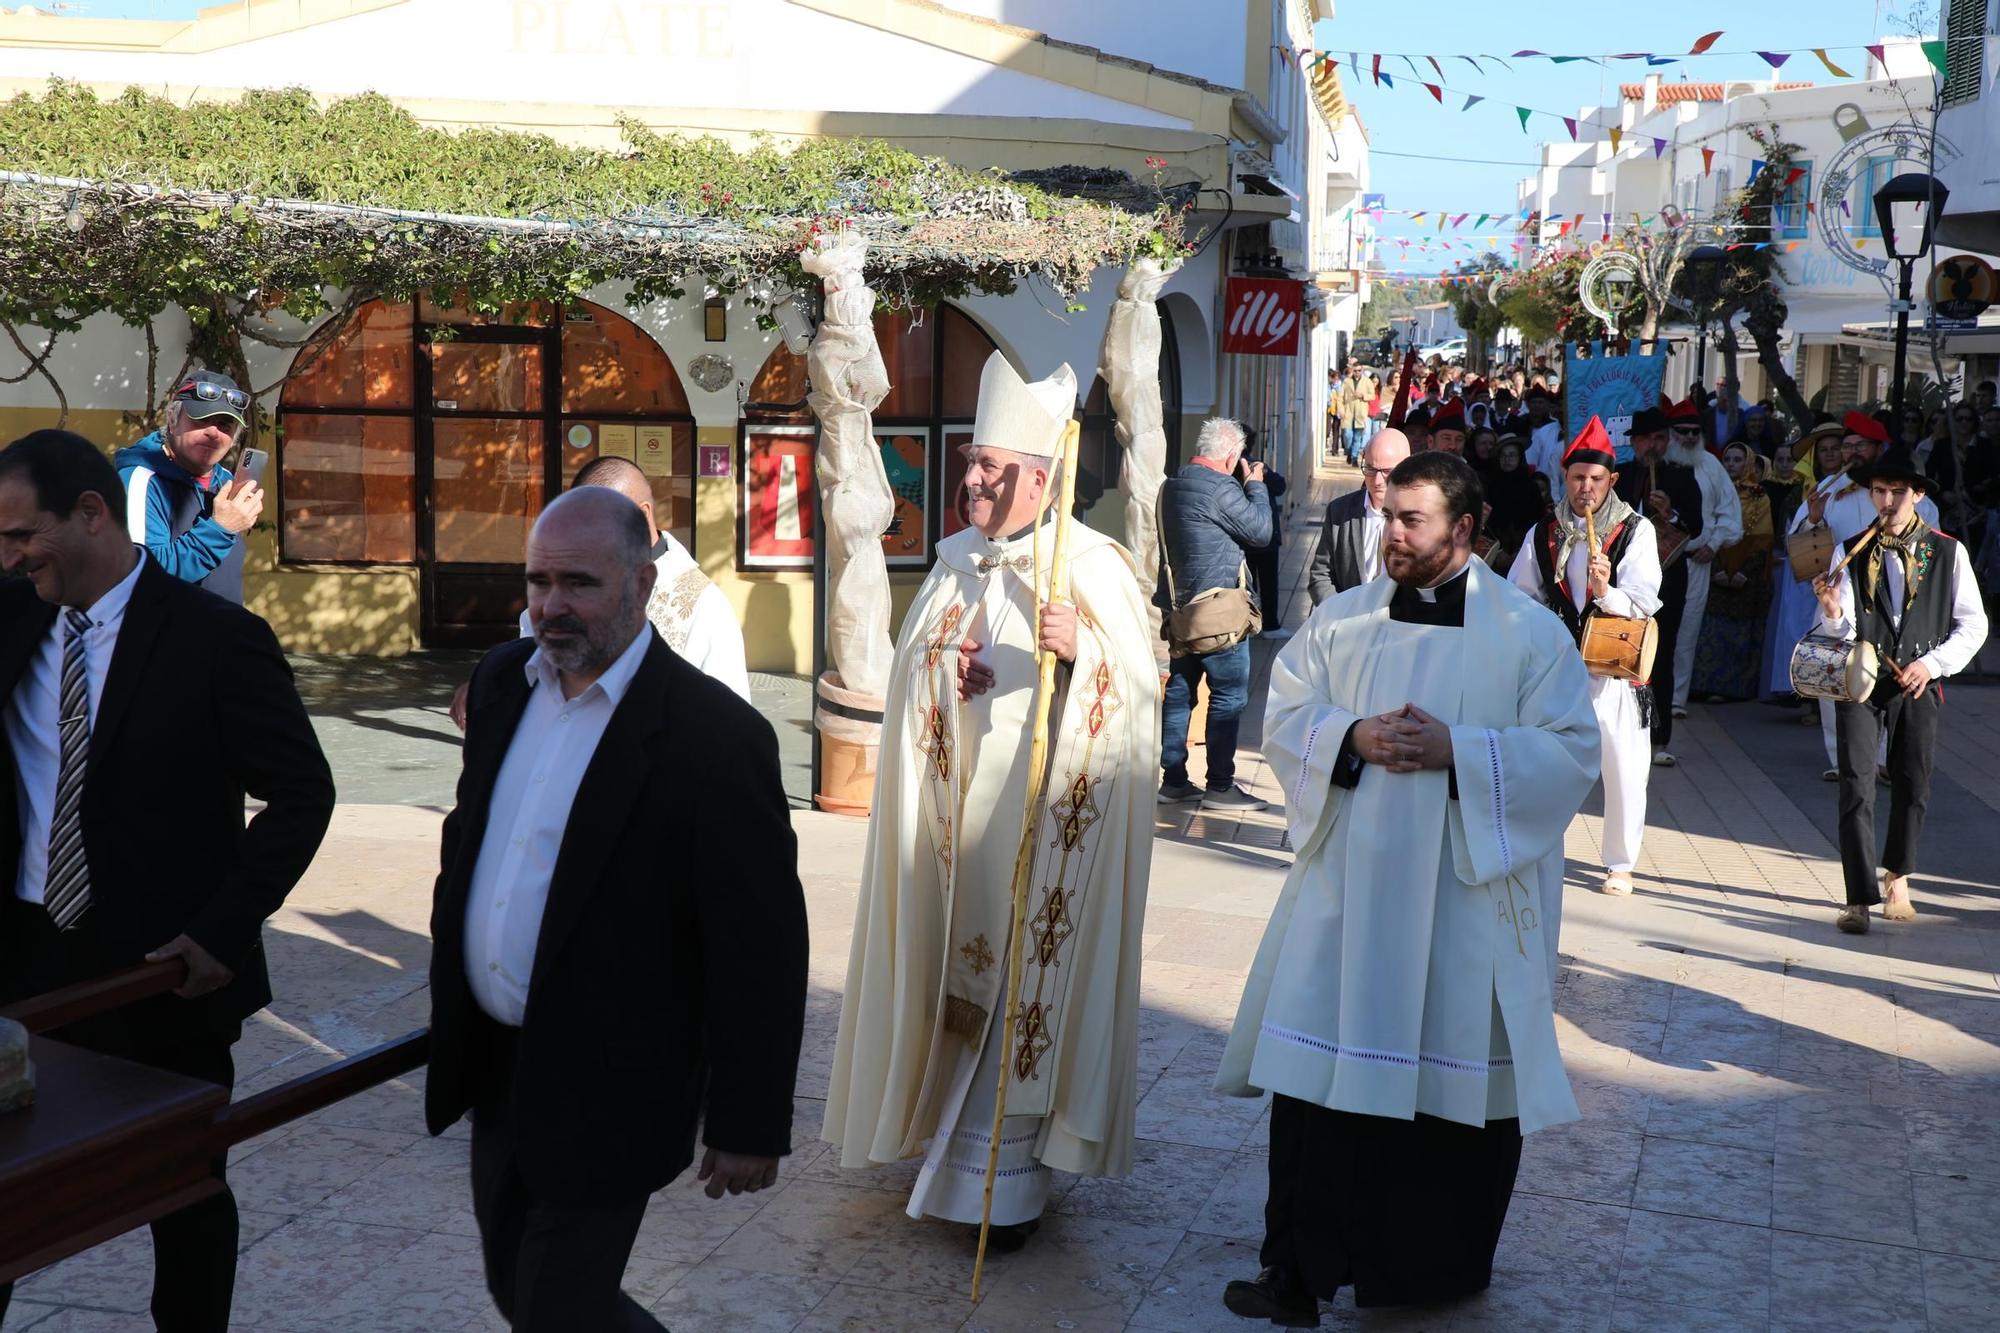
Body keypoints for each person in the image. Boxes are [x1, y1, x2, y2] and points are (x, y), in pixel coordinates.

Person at [1216, 451, 1599, 1322]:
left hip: (1459, 914)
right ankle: (1296, 1272)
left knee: (1440, 1095)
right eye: (1389, 514)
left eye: (1411, 520)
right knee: (1315, 1091)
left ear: (1465, 529)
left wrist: (1458, 750)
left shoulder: (1530, 635)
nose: (1389, 532)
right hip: (1346, 901)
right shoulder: (1342, 622)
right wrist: (1349, 735)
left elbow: (1573, 751)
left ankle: (1420, 1272)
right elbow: (1285, 715)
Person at [425, 486, 807, 1330]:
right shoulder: (501, 685)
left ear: (640, 585)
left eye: (579, 584)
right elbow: (472, 848)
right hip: (499, 1067)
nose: (551, 606)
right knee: (519, 1288)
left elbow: (761, 944)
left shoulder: (713, 738)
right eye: (537, 582)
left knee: (554, 1307)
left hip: (616, 1083)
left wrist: (751, 1118)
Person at [0, 429, 334, 1332]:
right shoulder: (10, 614)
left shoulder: (215, 640)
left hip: (163, 971)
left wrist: (222, 928)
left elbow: (303, 794)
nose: (9, 555)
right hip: (24, 961)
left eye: (22, 534)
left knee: (183, 1194)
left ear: (93, 514)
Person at [824, 352, 1157, 1252]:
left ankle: (1004, 1193)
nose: (970, 478)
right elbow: (909, 675)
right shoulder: (953, 560)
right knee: (949, 979)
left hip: (1039, 835)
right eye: (969, 461)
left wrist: (1082, 648)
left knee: (1020, 997)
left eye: (988, 467)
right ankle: (941, 1158)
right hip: (952, 827)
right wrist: (945, 667)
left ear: (1041, 479)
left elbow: (1138, 695)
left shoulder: (1092, 566)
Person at [1811, 449, 1988, 933]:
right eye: (1878, 491)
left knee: (1913, 783)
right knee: (1856, 783)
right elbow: (1837, 633)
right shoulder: (1850, 549)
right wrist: (1830, 612)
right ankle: (1857, 897)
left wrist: (1930, 665)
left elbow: (1973, 626)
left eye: (1896, 492)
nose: (1885, 501)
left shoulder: (1947, 551)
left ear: (1918, 496)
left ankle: (1898, 875)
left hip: (1918, 682)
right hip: (1862, 680)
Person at [447, 456, 751, 728]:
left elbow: (731, 728)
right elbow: (531, 658)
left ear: (643, 515)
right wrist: (490, 687)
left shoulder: (704, 607)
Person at [1509, 419, 1663, 896]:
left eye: (1596, 480)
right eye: (1578, 478)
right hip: (1560, 670)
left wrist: (1605, 590)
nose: (1586, 488)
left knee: (1623, 767)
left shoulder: (1636, 531)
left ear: (1611, 481)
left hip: (1615, 671)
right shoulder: (1544, 531)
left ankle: (1620, 863)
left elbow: (1644, 599)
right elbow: (1520, 595)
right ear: (1565, 477)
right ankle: (1538, 846)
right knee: (1548, 762)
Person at [1787, 412, 1937, 777]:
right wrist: (1814, 519)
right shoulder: (1828, 491)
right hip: (1838, 598)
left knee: (1885, 679)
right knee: (1832, 673)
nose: (1850, 453)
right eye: (1847, 446)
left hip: (1895, 600)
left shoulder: (1915, 498)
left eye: (1860, 446)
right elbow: (1799, 543)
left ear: (1877, 449)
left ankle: (1882, 760)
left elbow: (1931, 545)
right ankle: (1842, 761)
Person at [1155, 416, 1274, 810]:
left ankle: (1173, 781)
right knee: (1227, 697)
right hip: (1220, 616)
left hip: (1181, 613)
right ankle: (1220, 785)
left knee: (1179, 694)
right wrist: (1254, 485)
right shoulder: (1221, 488)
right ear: (1230, 455)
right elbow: (1260, 532)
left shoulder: (1172, 486)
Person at [114, 369, 264, 604]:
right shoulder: (141, 479)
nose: (214, 432)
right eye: (201, 419)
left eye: (225, 425)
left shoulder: (225, 481)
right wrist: (221, 529)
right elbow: (144, 578)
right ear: (172, 421)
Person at [1614, 407, 1704, 767]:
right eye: (1647, 438)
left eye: (1660, 438)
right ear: (1634, 442)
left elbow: (1695, 526)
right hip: (1623, 580)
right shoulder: (1620, 476)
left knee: (1660, 654)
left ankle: (1657, 735)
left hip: (1667, 580)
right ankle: (1623, 730)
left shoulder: (1680, 477)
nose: (1654, 445)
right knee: (1624, 654)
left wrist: (1671, 514)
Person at [1665, 399, 1743, 720]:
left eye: (1694, 431)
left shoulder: (1710, 465)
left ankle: (1676, 700)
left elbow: (1730, 513)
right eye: (1682, 431)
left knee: (1687, 631)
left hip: (1697, 559)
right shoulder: (1660, 463)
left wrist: (1713, 544)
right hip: (1659, 561)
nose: (1688, 437)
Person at [1691, 444, 1783, 702]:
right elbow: (1708, 529)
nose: (1731, 464)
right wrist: (1719, 569)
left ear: (1749, 463)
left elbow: (1763, 539)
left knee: (1739, 630)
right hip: (1714, 565)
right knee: (1711, 627)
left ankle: (1732, 688)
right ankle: (1702, 684)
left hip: (1747, 571)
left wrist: (1743, 571)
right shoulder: (1713, 491)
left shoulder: (1760, 496)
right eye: (1727, 459)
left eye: (1737, 460)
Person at [1306, 428, 1411, 604]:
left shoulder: (1420, 519)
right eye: (1370, 468)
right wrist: (1339, 616)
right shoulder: (1339, 512)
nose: (1377, 481)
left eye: (1387, 471)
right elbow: (1320, 575)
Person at [1243, 429, 1291, 639]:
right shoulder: (1255, 466)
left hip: (1244, 536)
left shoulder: (1229, 470)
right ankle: (1269, 625)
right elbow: (1279, 486)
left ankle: (1248, 624)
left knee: (1246, 583)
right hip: (1265, 535)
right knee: (1268, 583)